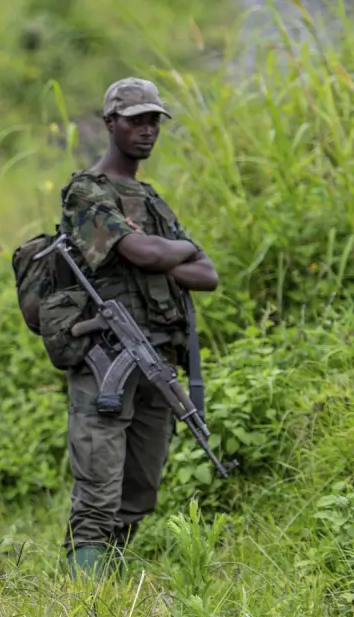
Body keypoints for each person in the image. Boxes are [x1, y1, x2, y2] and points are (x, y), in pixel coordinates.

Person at [58, 78, 219, 576]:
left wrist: (168, 255)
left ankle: (111, 587)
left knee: (139, 491)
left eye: (154, 120)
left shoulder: (150, 200)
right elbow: (142, 252)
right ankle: (80, 598)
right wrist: (172, 253)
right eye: (135, 121)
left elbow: (207, 274)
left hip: (157, 359)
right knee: (98, 492)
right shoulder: (86, 192)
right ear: (110, 123)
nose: (147, 130)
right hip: (106, 358)